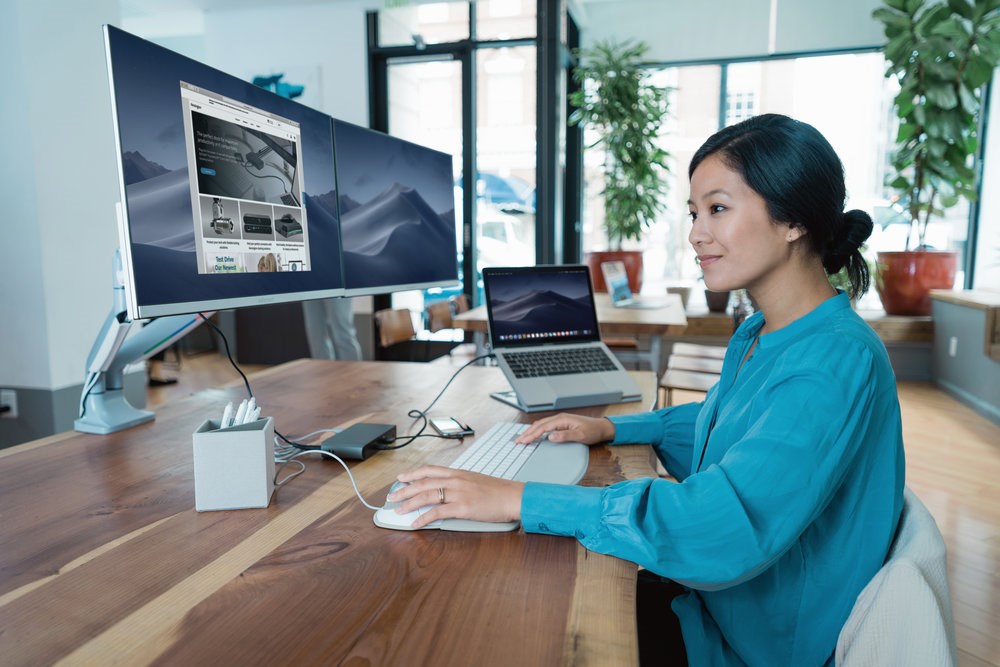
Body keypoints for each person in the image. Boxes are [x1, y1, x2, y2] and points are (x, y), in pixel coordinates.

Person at [387, 114, 905, 666]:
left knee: (501, 622)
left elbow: (720, 526)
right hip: (717, 603)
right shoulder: (762, 331)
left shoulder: (832, 361)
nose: (695, 233)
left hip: (749, 641)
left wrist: (517, 499)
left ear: (793, 219)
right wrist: (614, 427)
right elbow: (724, 424)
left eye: (718, 208)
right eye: (694, 213)